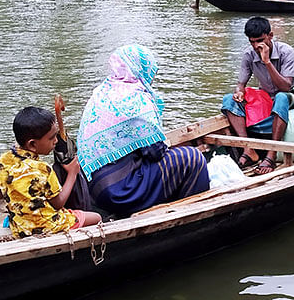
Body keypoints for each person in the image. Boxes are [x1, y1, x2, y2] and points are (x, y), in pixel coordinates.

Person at [77, 45, 209, 216]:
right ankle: (192, 215)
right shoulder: (136, 99)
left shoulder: (101, 92)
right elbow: (155, 152)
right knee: (193, 158)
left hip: (93, 190)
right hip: (120, 193)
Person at [0, 107, 102, 238]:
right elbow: (58, 204)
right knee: (96, 217)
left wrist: (18, 191)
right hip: (48, 225)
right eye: (51, 137)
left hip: (20, 228)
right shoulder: (43, 168)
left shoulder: (3, 161)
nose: (56, 141)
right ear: (32, 145)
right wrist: (72, 174)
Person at [220, 16, 294, 174]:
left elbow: (285, 86)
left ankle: (271, 153)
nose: (256, 46)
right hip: (265, 97)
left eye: (260, 41)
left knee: (281, 98)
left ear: (270, 36)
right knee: (228, 100)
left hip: (289, 96)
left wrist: (267, 62)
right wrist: (239, 93)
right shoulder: (249, 54)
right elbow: (241, 84)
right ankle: (248, 148)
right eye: (252, 42)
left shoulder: (286, 51)